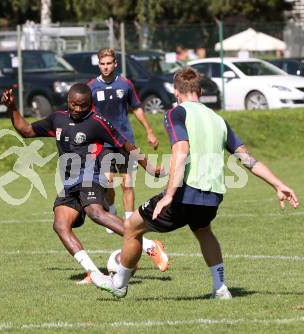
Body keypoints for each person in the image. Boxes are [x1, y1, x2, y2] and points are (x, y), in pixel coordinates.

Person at [90, 67, 299, 299]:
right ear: (200, 91)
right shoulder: (218, 119)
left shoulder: (176, 113)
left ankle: (119, 283)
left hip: (184, 192)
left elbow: (181, 150)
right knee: (203, 230)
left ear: (177, 92)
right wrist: (278, 184)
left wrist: (169, 195)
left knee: (131, 227)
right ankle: (220, 288)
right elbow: (246, 158)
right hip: (213, 195)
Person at [0, 83, 168, 285]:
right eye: (74, 105)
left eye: (83, 106)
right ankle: (94, 273)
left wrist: (149, 168)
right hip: (70, 182)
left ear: (90, 104)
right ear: (68, 101)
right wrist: (12, 108)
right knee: (60, 225)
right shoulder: (57, 119)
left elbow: (125, 145)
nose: (78, 110)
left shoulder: (98, 122)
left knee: (95, 212)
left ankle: (149, 245)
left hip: (92, 175)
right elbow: (26, 130)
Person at [87, 48, 159, 234]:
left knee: (127, 183)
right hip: (103, 143)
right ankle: (111, 210)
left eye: (109, 63)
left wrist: (149, 131)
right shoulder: (92, 87)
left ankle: (128, 220)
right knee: (108, 181)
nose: (106, 67)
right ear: (98, 64)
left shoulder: (125, 85)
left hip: (125, 141)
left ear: (115, 64)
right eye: (102, 64)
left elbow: (137, 108)